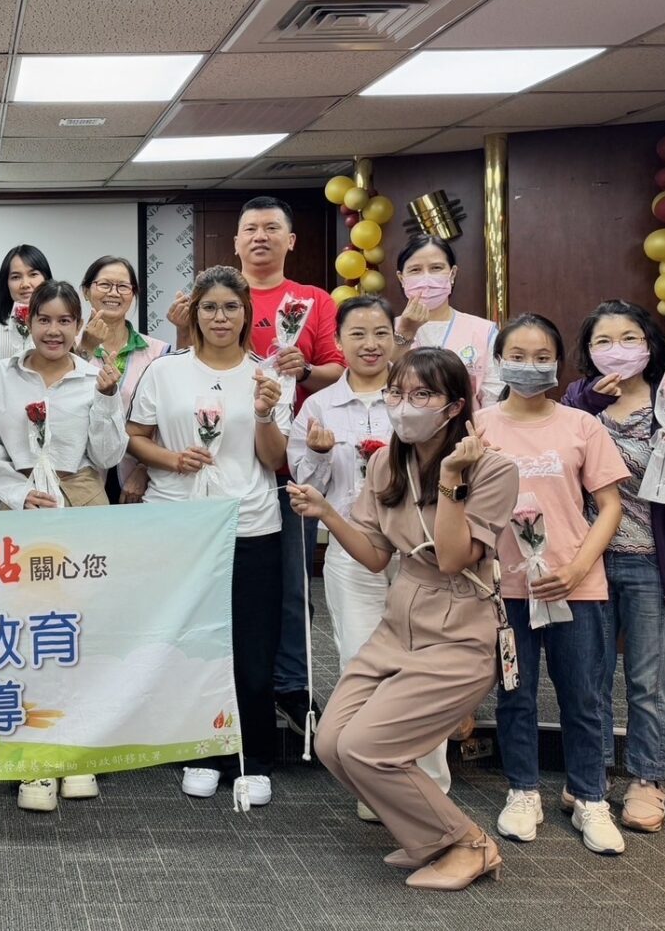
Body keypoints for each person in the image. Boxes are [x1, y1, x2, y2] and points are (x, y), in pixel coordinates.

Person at [291, 347, 518, 891]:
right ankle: (430, 839)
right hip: (398, 622)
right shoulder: (385, 464)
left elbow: (454, 558)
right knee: (331, 743)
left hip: (458, 630)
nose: (404, 405)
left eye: (422, 395)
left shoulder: (494, 469)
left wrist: (452, 479)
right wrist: (327, 513)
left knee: (368, 748)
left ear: (454, 406)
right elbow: (375, 556)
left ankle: (469, 843)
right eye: (397, 393)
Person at [175, 196, 345, 736]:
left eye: (272, 228)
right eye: (250, 228)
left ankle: (290, 687)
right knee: (211, 591)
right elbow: (185, 374)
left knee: (291, 585)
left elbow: (338, 370)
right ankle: (222, 689)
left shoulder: (313, 300)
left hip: (288, 463)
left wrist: (306, 368)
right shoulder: (210, 297)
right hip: (217, 465)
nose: (260, 236)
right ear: (236, 241)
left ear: (290, 240)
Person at [127, 266, 289, 808]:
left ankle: (254, 759)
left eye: (231, 307)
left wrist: (264, 414)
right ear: (194, 313)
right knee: (194, 647)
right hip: (181, 524)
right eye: (210, 307)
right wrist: (172, 459)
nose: (220, 317)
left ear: (247, 315)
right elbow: (135, 437)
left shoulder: (267, 375)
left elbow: (275, 459)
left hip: (251, 523)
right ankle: (201, 751)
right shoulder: (165, 371)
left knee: (252, 649)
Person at [288, 294, 455, 820]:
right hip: (351, 548)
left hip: (422, 552)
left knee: (426, 664)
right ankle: (376, 781)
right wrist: (318, 456)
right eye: (357, 334)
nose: (370, 344)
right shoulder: (318, 406)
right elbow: (305, 487)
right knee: (361, 660)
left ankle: (429, 782)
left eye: (380, 332)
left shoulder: (416, 399)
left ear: (396, 337)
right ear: (338, 342)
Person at [476, 313, 628, 855]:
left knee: (584, 696)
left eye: (542, 357)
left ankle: (590, 797)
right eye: (517, 356)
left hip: (575, 586)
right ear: (499, 361)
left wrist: (577, 568)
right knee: (514, 693)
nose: (530, 366)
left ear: (559, 363)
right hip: (507, 591)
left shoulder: (582, 425)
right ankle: (523, 791)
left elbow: (609, 506)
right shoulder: (479, 426)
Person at [563, 299, 665, 833]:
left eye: (629, 338)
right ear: (588, 351)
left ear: (649, 345)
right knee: (590, 675)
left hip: (655, 563)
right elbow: (559, 467)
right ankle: (594, 773)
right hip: (591, 560)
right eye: (603, 341)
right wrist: (586, 403)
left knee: (649, 681)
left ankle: (648, 778)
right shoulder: (578, 401)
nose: (617, 350)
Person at [0, 280, 123, 812]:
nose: (54, 331)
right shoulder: (1, 374)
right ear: (29, 321)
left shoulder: (94, 376)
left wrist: (107, 398)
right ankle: (34, 758)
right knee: (23, 634)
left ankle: (79, 752)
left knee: (81, 632)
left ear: (78, 325)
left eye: (65, 321)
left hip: (80, 499)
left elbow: (108, 456)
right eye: (45, 320)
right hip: (22, 505)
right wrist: (19, 496)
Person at [74, 255, 171, 504]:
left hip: (138, 479)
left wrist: (144, 469)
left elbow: (167, 422)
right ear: (86, 291)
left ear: (133, 294)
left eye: (123, 286)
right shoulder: (67, 349)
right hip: (80, 479)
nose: (113, 293)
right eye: (105, 284)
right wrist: (84, 351)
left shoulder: (158, 352)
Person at [391, 234, 504, 407]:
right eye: (415, 270)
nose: (426, 279)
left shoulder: (484, 331)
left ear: (452, 273)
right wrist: (404, 333)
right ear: (401, 278)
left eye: (436, 268)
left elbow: (494, 399)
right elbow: (379, 385)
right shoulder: (385, 329)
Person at [0, 244, 52, 362]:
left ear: (46, 278)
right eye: (16, 277)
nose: (25, 284)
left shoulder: (59, 327)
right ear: (6, 283)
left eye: (33, 274)